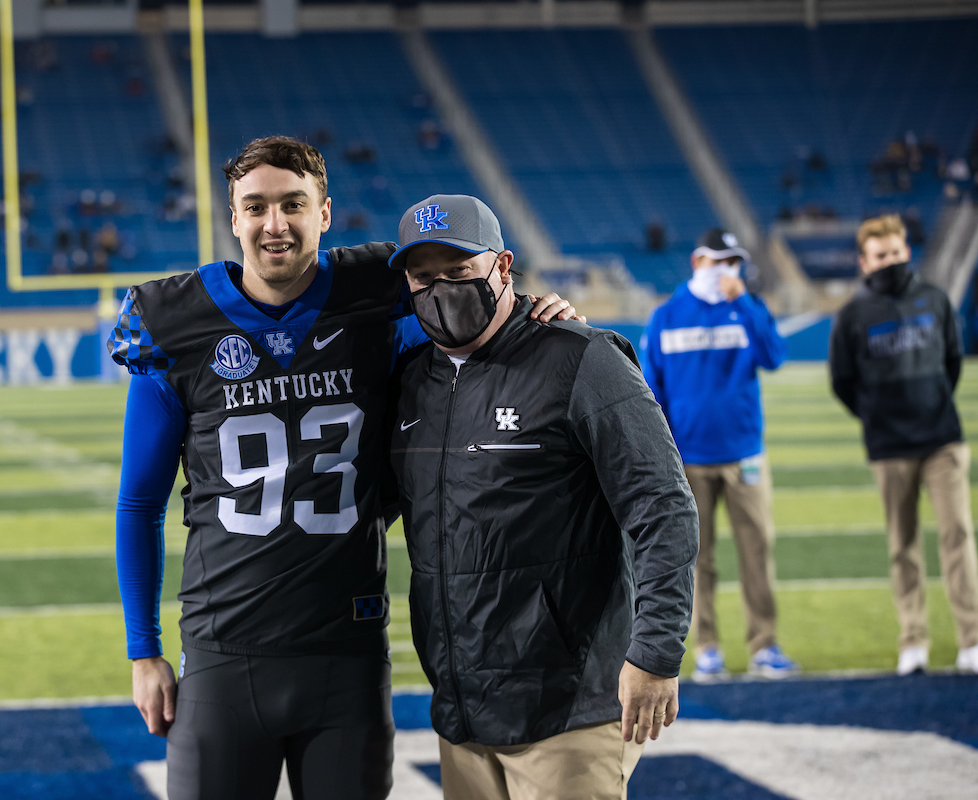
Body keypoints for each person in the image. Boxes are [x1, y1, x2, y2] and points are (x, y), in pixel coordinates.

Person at [106, 137, 575, 800]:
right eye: (256, 206)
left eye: (293, 204)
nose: (275, 223)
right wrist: (142, 650)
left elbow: (468, 298)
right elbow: (139, 504)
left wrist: (532, 313)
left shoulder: (379, 292)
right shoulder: (173, 321)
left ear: (324, 213)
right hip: (221, 649)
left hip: (346, 652)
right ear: (233, 218)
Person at [388, 195, 699, 800]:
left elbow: (662, 507)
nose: (441, 290)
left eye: (459, 271)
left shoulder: (581, 358)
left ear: (503, 267)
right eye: (424, 278)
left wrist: (656, 652)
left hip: (568, 708)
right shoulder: (413, 382)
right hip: (461, 712)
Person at [641, 228, 798, 682]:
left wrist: (744, 301)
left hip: (744, 453)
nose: (726, 269)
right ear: (697, 262)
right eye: (718, 260)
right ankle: (707, 648)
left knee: (757, 552)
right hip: (689, 459)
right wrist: (665, 455)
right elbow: (653, 391)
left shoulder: (747, 308)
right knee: (697, 558)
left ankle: (764, 645)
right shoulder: (666, 316)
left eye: (733, 261)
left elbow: (774, 356)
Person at [828, 214, 978, 676]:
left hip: (941, 439)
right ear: (864, 262)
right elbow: (843, 381)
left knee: (957, 536)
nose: (889, 261)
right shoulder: (853, 315)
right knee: (903, 545)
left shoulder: (935, 299)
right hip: (889, 447)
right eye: (880, 256)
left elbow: (952, 361)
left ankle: (972, 640)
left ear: (906, 251)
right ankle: (913, 640)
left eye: (895, 252)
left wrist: (930, 403)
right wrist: (878, 417)